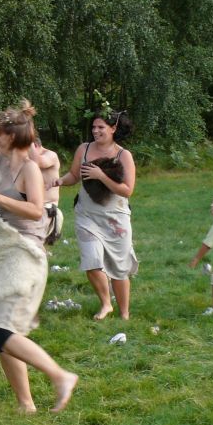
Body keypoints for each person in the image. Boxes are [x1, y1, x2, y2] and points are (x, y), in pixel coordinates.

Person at [0, 77, 77, 413]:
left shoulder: (29, 169)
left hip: (23, 254)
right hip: (2, 253)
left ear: (11, 137)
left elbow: (36, 209)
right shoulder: (1, 160)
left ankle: (60, 376)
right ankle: (26, 404)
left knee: (1, 330)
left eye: (0, 133)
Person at [54, 107, 137, 320]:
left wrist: (101, 175)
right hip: (87, 215)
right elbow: (74, 175)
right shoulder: (84, 149)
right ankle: (106, 304)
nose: (95, 131)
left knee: (119, 267)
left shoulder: (123, 155)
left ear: (113, 128)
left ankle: (124, 314)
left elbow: (127, 190)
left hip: (116, 218)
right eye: (93, 127)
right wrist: (60, 181)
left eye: (101, 127)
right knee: (91, 261)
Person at [31, 140, 63, 245]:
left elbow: (40, 162)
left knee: (34, 245)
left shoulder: (51, 155)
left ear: (35, 145)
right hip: (30, 208)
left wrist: (27, 142)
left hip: (48, 209)